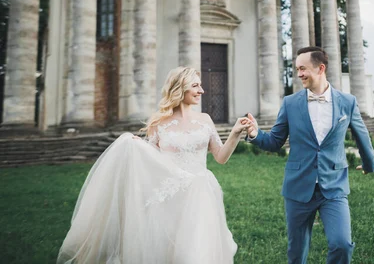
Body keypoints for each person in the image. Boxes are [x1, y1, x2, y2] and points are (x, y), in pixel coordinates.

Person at [57, 66, 250, 264]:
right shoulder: (159, 124)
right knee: (166, 249)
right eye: (195, 86)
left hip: (200, 194)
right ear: (179, 88)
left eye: (200, 85)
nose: (201, 90)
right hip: (170, 195)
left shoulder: (205, 120)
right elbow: (151, 162)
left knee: (195, 251)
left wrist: (235, 132)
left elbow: (221, 157)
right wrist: (133, 146)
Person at [245, 46, 374, 264]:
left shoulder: (347, 101)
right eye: (297, 69)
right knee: (296, 253)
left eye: (303, 68)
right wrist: (255, 134)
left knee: (342, 245)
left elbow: (362, 137)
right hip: (298, 188)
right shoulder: (290, 103)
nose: (299, 74)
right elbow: (275, 141)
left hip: (333, 187)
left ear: (321, 68)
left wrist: (370, 164)